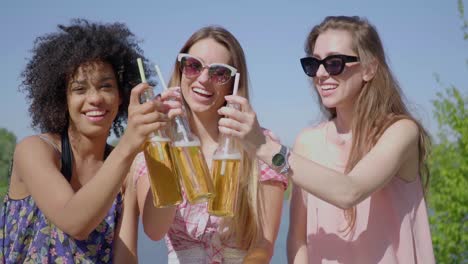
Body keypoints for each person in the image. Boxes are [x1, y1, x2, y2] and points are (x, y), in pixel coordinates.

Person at [218, 16, 435, 263]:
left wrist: (262, 146)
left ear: (369, 68)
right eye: (313, 64)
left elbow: (349, 191)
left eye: (334, 63)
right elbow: (298, 240)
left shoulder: (400, 131)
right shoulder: (308, 142)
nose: (320, 74)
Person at [0, 18, 182, 263]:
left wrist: (167, 139)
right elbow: (74, 222)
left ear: (121, 96)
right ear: (62, 98)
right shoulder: (35, 150)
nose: (95, 98)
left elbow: (125, 257)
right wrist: (129, 144)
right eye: (80, 89)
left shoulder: (125, 170)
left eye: (105, 86)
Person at [129, 25, 288, 263]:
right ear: (181, 70)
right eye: (193, 65)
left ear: (233, 82)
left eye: (219, 72)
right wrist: (166, 142)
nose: (203, 79)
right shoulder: (154, 148)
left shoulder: (260, 144)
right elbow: (154, 230)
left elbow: (263, 245)